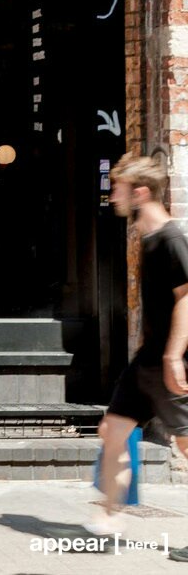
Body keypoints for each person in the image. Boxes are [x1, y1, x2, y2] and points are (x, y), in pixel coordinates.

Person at [92, 150, 188, 536]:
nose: (113, 196)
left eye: (119, 188)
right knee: (113, 429)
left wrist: (173, 355)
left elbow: (186, 296)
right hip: (147, 361)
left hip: (170, 362)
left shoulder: (170, 238)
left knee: (186, 447)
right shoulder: (148, 238)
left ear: (141, 193)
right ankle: (109, 517)